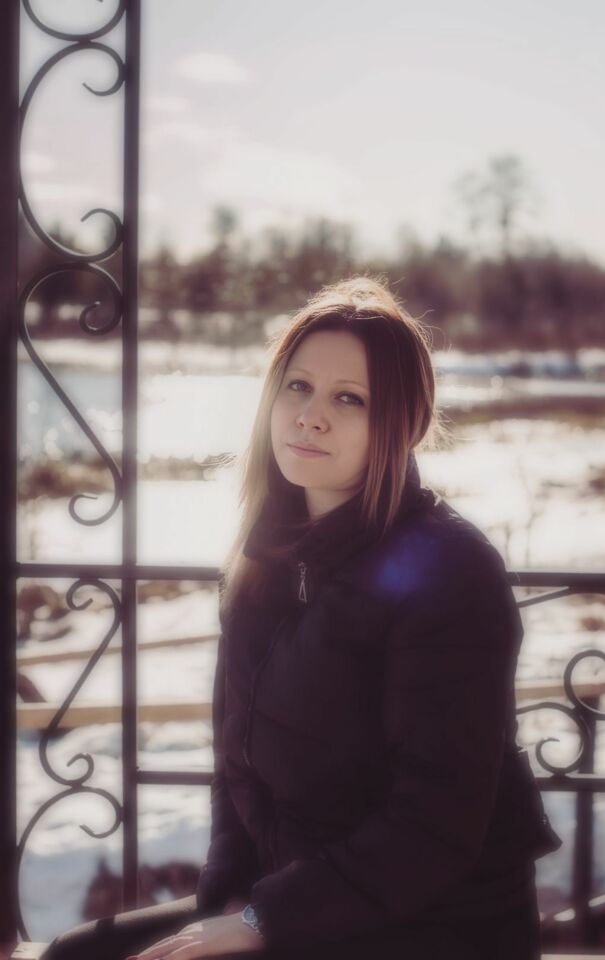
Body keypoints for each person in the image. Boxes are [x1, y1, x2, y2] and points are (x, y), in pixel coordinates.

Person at [43, 276, 562, 960]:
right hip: (299, 900)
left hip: (434, 924)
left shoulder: (450, 570)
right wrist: (227, 903)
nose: (311, 416)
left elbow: (434, 823)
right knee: (77, 956)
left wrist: (264, 921)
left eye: (350, 398)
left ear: (403, 423)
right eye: (298, 386)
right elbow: (236, 770)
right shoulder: (264, 560)